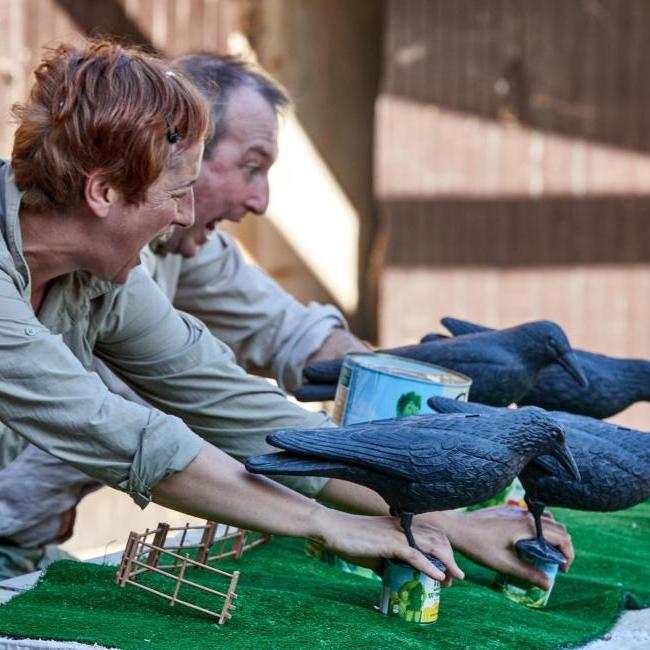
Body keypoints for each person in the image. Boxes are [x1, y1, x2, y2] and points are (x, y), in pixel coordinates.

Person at [0, 51, 572, 590]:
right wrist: (324, 523)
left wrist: (449, 521)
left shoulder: (103, 277)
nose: (186, 214)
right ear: (102, 191)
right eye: (175, 193)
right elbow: (120, 432)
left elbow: (227, 400)